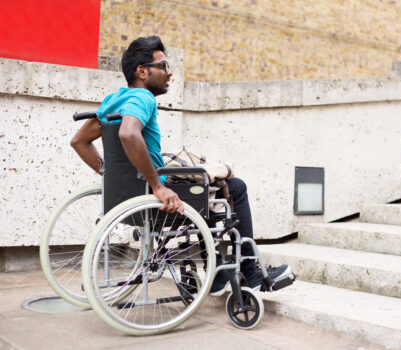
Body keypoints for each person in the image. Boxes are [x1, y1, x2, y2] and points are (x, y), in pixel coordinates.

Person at [70, 36, 289, 296]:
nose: (169, 72)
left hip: (125, 201)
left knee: (205, 190)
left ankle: (217, 273)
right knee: (233, 188)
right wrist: (157, 186)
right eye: (162, 66)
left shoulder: (112, 101)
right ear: (142, 72)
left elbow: (79, 141)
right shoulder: (143, 98)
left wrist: (114, 177)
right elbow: (128, 134)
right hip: (155, 200)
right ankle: (250, 273)